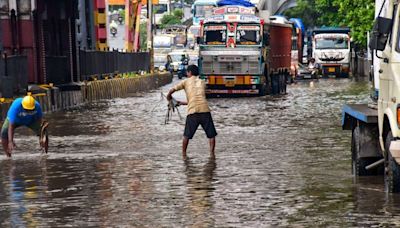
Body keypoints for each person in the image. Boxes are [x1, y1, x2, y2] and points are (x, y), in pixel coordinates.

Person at [167, 65, 217, 159]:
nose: (186, 73)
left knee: (186, 136)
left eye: (187, 72)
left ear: (189, 72)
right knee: (211, 135)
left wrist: (169, 97)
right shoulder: (202, 82)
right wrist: (181, 103)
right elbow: (198, 99)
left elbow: (172, 90)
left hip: (192, 112)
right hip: (205, 110)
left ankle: (183, 155)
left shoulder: (185, 82)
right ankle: (212, 154)